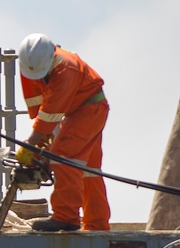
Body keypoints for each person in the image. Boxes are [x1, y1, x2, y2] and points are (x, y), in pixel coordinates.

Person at [15, 33, 110, 232]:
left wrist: (30, 144)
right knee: (87, 169)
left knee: (62, 157)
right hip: (81, 111)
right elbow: (40, 107)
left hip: (88, 110)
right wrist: (42, 143)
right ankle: (96, 224)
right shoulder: (30, 65)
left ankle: (66, 217)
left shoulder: (66, 68)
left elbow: (50, 115)